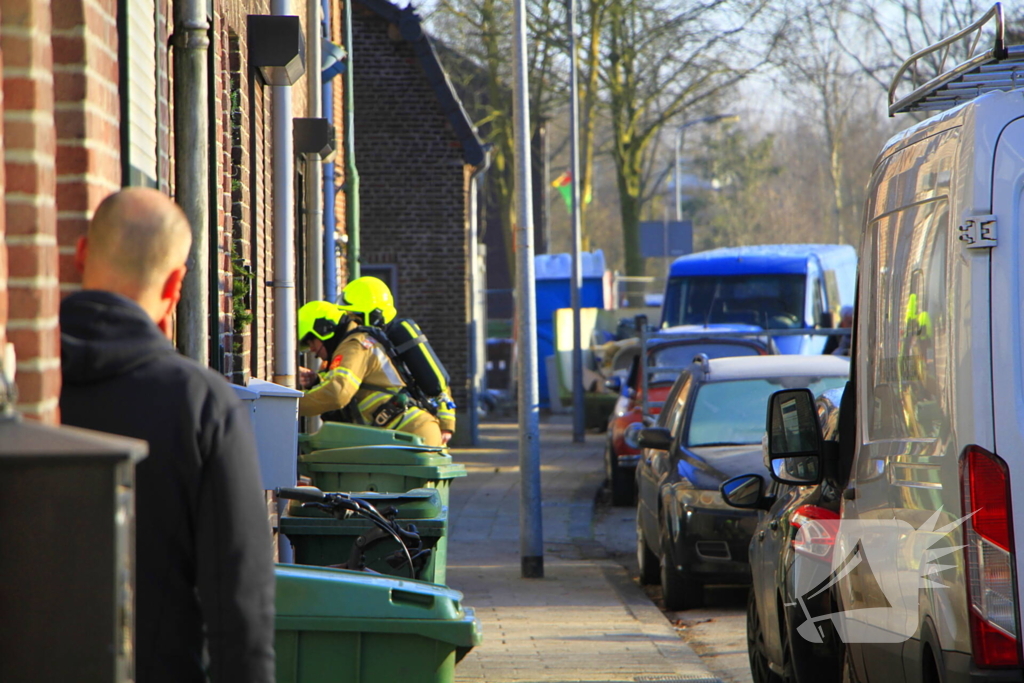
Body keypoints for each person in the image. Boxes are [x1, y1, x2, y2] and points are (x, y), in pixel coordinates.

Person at [59, 188, 275, 683]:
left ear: (82, 254)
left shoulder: (21, 385)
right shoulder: (202, 405)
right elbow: (240, 605)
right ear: (176, 284)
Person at [297, 277, 455, 447]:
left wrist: (289, 406)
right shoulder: (375, 343)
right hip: (412, 433)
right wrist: (317, 381)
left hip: (407, 434)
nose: (350, 320)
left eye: (353, 315)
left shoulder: (357, 343)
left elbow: (338, 392)